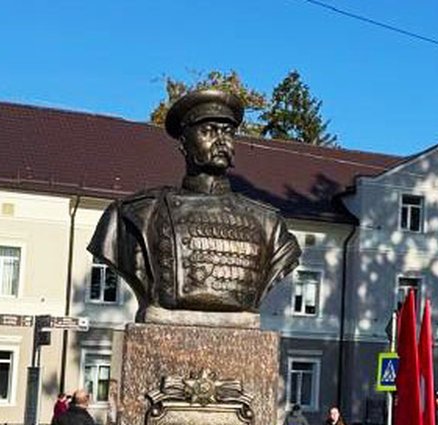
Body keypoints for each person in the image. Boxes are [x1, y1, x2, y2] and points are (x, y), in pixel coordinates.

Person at [88, 88, 299, 320]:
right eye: (208, 131)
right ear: (184, 143)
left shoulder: (269, 224)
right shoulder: (136, 214)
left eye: (228, 132)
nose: (221, 141)